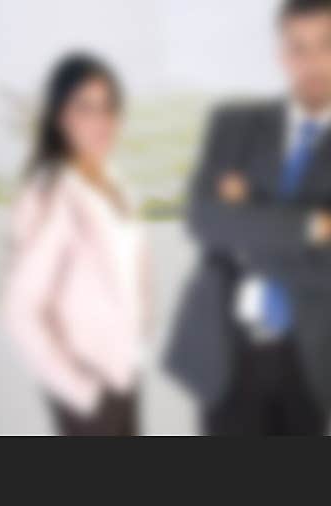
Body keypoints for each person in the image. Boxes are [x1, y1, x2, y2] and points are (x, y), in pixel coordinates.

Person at [167, 0, 331, 435]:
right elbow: (202, 221)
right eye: (298, 47)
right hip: (224, 352)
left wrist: (245, 223)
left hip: (310, 359)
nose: (311, 61)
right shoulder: (234, 125)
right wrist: (313, 226)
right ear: (281, 53)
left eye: (325, 45)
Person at [0, 53, 151, 436]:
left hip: (125, 376)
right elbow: (20, 310)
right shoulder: (53, 194)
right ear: (62, 117)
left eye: (107, 108)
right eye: (85, 108)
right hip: (89, 392)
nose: (100, 122)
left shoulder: (115, 183)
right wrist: (80, 390)